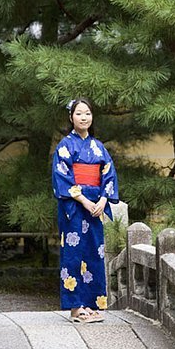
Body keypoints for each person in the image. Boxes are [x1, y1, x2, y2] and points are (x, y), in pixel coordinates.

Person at [52, 97, 119, 323]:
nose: (84, 117)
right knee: (73, 254)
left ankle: (91, 305)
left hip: (95, 207)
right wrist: (84, 200)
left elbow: (108, 174)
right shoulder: (65, 146)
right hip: (75, 207)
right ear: (71, 117)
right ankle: (75, 308)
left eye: (88, 113)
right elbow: (62, 178)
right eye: (79, 113)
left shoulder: (98, 147)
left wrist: (102, 200)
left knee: (94, 252)